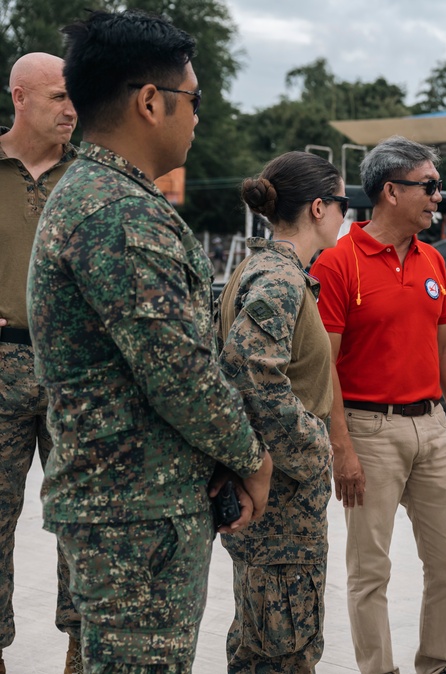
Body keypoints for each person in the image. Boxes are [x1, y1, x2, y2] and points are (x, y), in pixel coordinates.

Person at [26, 10, 273, 672]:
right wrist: (252, 458)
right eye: (193, 99)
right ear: (149, 102)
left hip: (133, 508)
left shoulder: (103, 197)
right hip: (138, 516)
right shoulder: (120, 215)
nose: (199, 116)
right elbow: (180, 372)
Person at [311, 135, 446, 674]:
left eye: (437, 187)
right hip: (368, 431)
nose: (437, 198)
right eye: (428, 186)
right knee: (369, 571)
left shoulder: (433, 261)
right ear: (390, 191)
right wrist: (343, 449)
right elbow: (324, 367)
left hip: (431, 427)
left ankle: (438, 662)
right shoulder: (338, 264)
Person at [216, 151, 345, 672]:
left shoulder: (259, 267)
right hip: (283, 500)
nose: (345, 216)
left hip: (270, 489)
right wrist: (311, 449)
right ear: (318, 207)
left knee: (256, 639)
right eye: (342, 204)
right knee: (285, 645)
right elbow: (248, 366)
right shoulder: (280, 278)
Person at [0, 51, 82, 674]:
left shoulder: (91, 177)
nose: (72, 109)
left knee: (84, 519)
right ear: (20, 96)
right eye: (58, 96)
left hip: (74, 373)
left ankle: (83, 655)